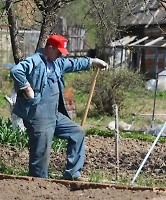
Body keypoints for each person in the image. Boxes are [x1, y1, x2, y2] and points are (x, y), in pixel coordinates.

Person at [10, 34, 108, 180]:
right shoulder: (35, 61)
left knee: (77, 132)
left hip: (54, 114)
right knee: (41, 152)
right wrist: (26, 88)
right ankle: (38, 182)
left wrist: (92, 61)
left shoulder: (57, 63)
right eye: (59, 52)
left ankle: (73, 174)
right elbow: (16, 71)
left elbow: (74, 64)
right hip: (37, 115)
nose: (61, 55)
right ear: (49, 48)